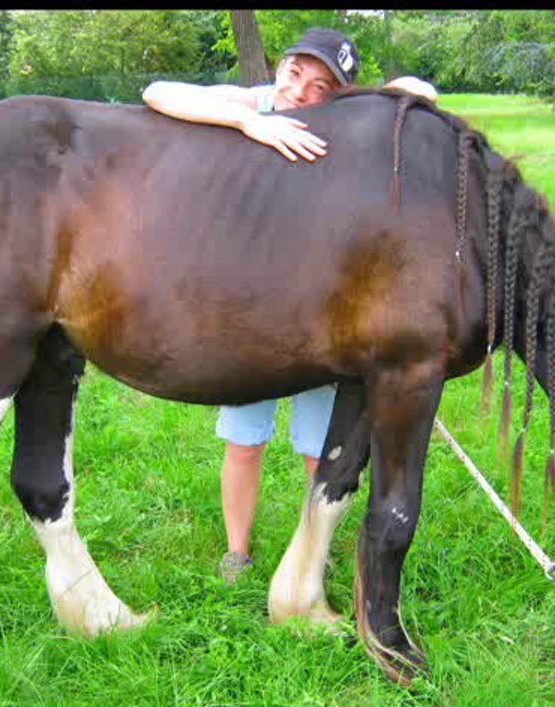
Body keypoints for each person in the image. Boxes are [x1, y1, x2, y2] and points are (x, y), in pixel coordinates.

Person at [142, 28, 438, 583]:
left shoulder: (344, 124)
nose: (301, 91)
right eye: (296, 73)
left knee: (317, 448)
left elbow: (422, 92)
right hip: (249, 316)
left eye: (321, 86)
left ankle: (311, 548)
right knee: (243, 441)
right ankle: (237, 551)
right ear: (281, 66)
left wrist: (363, 100)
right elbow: (157, 92)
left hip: (320, 317)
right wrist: (248, 122)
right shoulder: (255, 102)